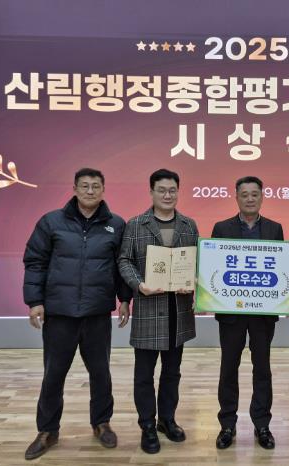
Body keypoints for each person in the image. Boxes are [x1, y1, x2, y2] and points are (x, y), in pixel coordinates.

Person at [22, 168, 131, 460]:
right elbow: (35, 262)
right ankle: (47, 431)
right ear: (74, 188)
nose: (90, 191)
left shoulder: (116, 225)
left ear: (103, 189)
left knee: (101, 373)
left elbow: (122, 265)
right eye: (85, 186)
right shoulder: (51, 222)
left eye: (96, 186)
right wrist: (35, 301)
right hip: (59, 313)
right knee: (53, 374)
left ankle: (102, 423)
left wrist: (124, 299)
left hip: (97, 313)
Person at [117, 168, 198, 454]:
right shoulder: (136, 224)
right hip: (149, 308)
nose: (167, 195)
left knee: (172, 372)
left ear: (178, 192)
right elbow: (124, 260)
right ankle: (147, 426)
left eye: (172, 190)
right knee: (144, 374)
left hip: (178, 310)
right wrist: (139, 285)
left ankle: (167, 420)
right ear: (151, 192)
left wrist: (193, 280)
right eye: (161, 190)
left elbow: (197, 261)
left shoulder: (188, 225)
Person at [211, 176, 284, 450]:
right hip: (231, 313)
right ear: (236, 197)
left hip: (263, 314)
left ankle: (262, 424)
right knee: (228, 368)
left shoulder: (275, 228)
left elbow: (280, 268)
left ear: (262, 197)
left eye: (255, 194)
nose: (250, 199)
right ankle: (227, 424)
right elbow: (214, 267)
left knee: (262, 368)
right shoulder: (222, 228)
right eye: (245, 194)